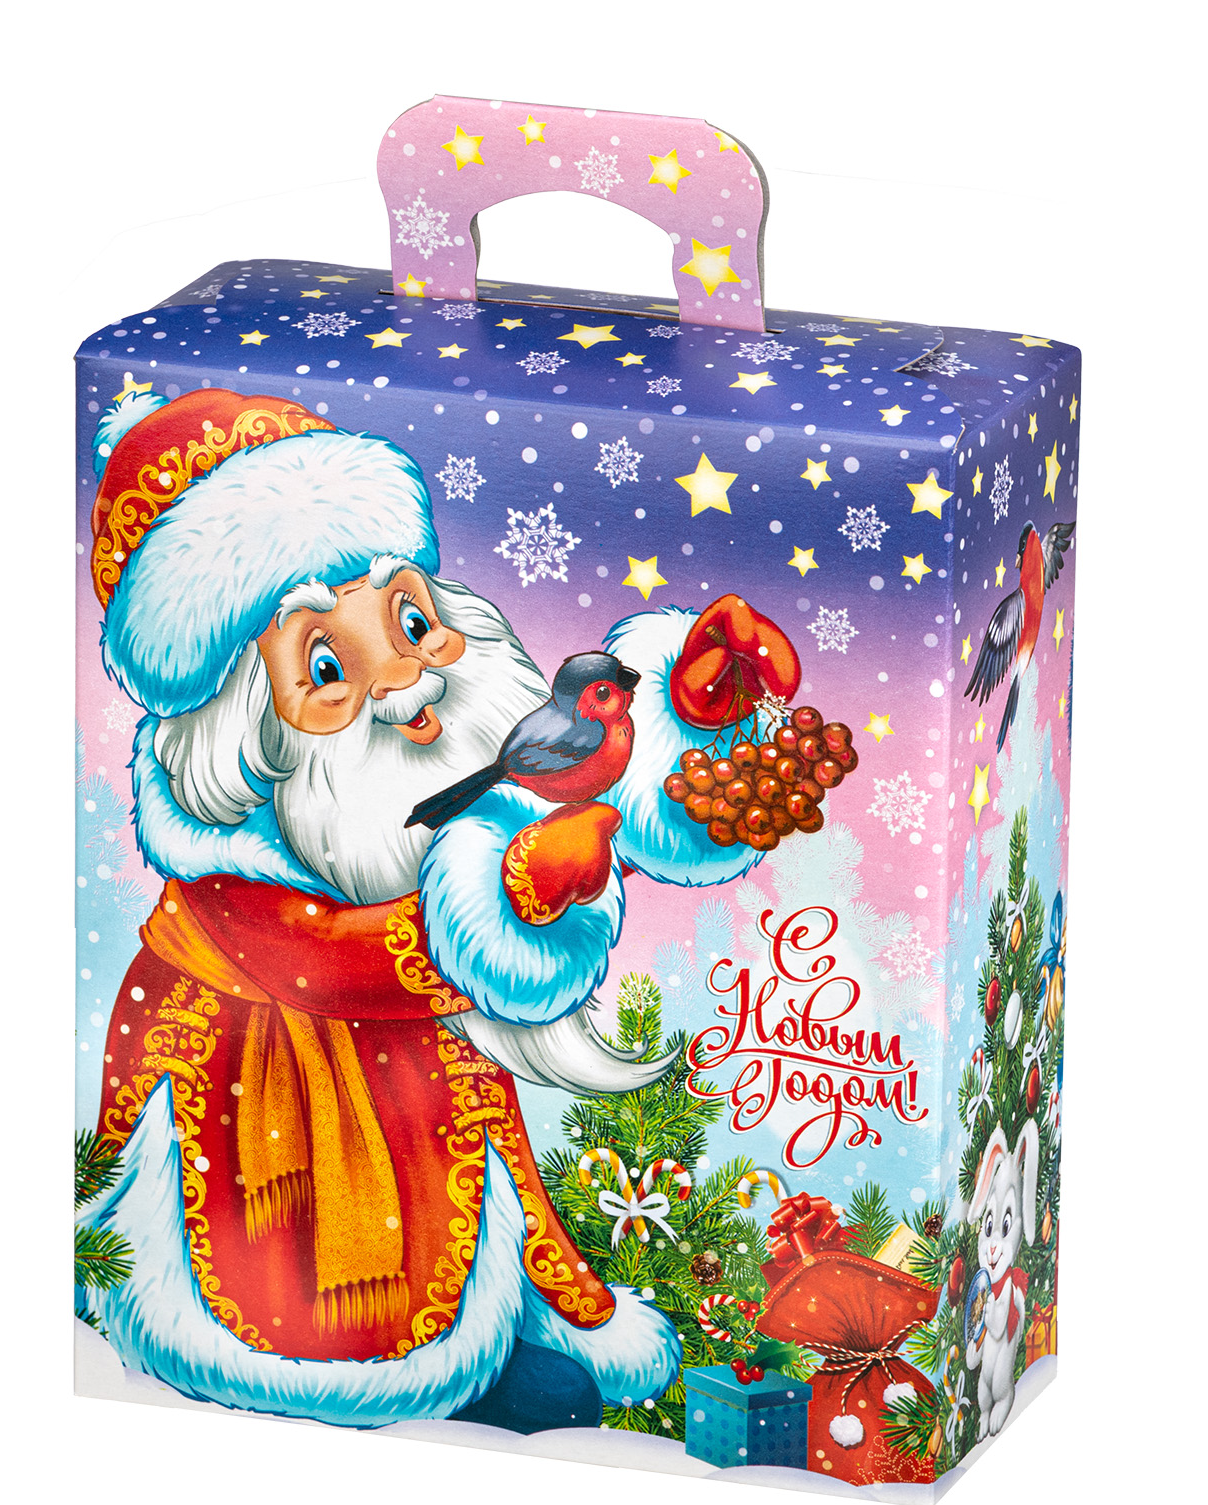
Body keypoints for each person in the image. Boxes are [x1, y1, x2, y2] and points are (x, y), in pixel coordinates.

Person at [76, 386, 797, 1429]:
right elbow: (341, 964)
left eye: (411, 621)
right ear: (244, 724)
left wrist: (678, 736)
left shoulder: (413, 783)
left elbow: (550, 815)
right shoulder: (229, 877)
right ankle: (342, 1371)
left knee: (456, 1186)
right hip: (274, 1101)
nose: (408, 688)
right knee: (323, 1259)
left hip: (423, 1082)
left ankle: (492, 1320)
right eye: (328, 666)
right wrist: (513, 888)